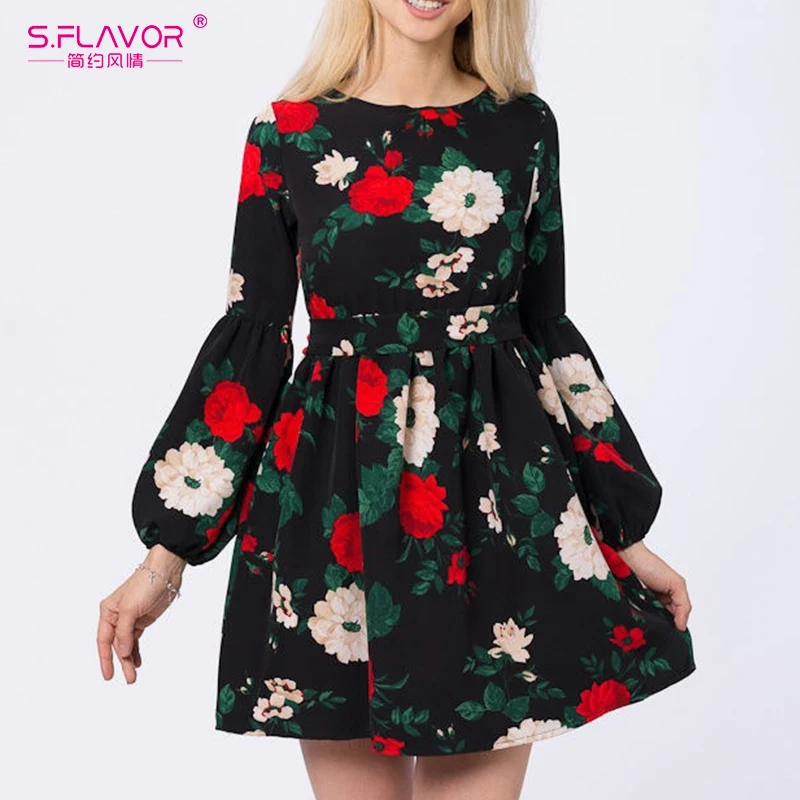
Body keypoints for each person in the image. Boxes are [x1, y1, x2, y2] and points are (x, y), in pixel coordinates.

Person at [97, 1, 696, 797]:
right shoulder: (288, 133)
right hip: (335, 518)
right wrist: (165, 558)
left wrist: (623, 534)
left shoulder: (523, 129)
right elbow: (253, 349)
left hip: (495, 520)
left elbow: (547, 339)